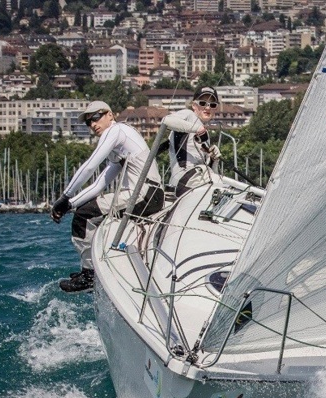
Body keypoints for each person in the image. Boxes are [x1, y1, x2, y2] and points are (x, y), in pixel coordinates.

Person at [51, 100, 165, 293]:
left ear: (110, 115)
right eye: (88, 123)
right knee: (83, 211)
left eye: (96, 117)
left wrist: (64, 196)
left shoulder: (117, 131)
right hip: (145, 195)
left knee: (84, 216)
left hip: (146, 195)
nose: (93, 124)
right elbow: (99, 184)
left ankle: (89, 275)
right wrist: (69, 205)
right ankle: (92, 269)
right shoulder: (118, 149)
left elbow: (90, 166)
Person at [162, 86, 223, 197]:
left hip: (198, 177)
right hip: (184, 178)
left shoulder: (205, 133)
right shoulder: (189, 115)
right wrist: (197, 129)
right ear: (194, 106)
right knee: (222, 190)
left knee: (222, 188)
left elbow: (210, 171)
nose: (208, 108)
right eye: (203, 103)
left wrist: (214, 161)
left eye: (212, 105)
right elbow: (166, 120)